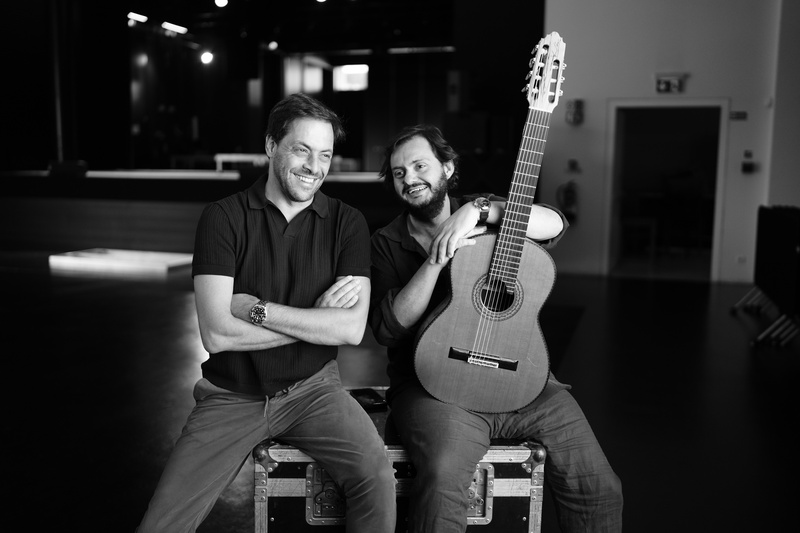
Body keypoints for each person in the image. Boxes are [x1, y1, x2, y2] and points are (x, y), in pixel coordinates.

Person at [137, 93, 397, 533]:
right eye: (302, 150)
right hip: (231, 395)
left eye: (325, 155)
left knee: (377, 480)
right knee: (163, 524)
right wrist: (315, 321)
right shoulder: (222, 218)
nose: (314, 166)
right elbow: (217, 334)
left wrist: (255, 310)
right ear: (271, 145)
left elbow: (351, 330)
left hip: (315, 391)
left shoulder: (347, 222)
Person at [369, 124, 623, 532]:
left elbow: (555, 224)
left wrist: (480, 210)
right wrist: (436, 259)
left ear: (447, 168)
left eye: (419, 165)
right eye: (399, 173)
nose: (410, 178)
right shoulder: (386, 242)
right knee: (444, 481)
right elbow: (388, 329)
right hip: (435, 385)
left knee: (598, 487)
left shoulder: (483, 211)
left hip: (523, 380)